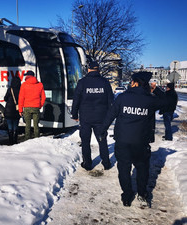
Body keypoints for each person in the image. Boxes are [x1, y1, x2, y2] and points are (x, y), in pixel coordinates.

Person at [100, 71, 167, 207]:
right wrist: (156, 90)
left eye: (132, 81)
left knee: (124, 169)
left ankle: (127, 195)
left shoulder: (122, 98)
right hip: (141, 143)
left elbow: (110, 115)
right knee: (142, 169)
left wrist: (102, 131)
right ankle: (142, 194)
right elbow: (169, 102)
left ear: (135, 83)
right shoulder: (150, 100)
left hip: (123, 141)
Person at [71, 61, 114, 171]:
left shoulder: (82, 82)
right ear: (98, 69)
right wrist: (109, 116)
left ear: (89, 69)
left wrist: (74, 114)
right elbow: (111, 101)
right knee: (102, 141)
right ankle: (106, 163)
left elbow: (76, 100)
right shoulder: (105, 82)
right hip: (101, 117)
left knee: (85, 142)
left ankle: (88, 164)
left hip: (85, 117)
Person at [18, 70, 46, 140]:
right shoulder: (40, 84)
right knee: (36, 125)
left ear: (28, 76)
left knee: (28, 125)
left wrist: (20, 110)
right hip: (36, 107)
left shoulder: (24, 85)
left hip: (27, 108)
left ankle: (27, 139)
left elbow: (21, 98)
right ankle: (37, 139)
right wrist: (40, 105)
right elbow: (43, 97)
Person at [4, 76, 22, 145]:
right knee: (15, 126)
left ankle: (10, 140)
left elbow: (5, 98)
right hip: (16, 110)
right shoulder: (20, 89)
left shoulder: (10, 89)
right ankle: (15, 140)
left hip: (9, 110)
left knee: (10, 126)